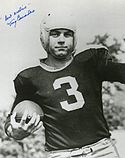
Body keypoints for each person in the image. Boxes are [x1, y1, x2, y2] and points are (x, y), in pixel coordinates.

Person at [4, 10, 123, 158]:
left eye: (67, 34)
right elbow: (10, 123)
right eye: (55, 34)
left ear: (74, 38)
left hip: (102, 150)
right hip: (61, 154)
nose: (61, 40)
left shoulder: (90, 63)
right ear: (44, 37)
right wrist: (16, 131)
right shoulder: (29, 78)